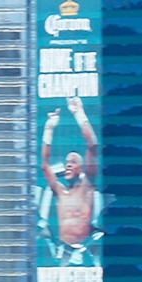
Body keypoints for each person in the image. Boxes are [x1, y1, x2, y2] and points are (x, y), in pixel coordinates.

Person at [41, 96, 100, 249]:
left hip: (85, 250)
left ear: (81, 168)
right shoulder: (60, 191)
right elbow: (45, 165)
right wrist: (49, 129)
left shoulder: (87, 185)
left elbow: (92, 145)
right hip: (63, 252)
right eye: (67, 162)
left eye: (73, 162)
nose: (68, 165)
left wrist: (79, 113)